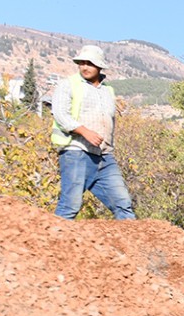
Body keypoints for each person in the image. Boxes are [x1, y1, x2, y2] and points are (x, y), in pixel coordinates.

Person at [50, 45, 135, 221]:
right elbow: (60, 114)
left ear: (99, 66)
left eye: (90, 63)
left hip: (104, 157)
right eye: (82, 63)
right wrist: (84, 131)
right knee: (69, 206)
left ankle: (132, 248)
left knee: (123, 204)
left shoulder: (107, 91)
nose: (85, 67)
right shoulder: (68, 85)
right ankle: (49, 245)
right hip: (76, 152)